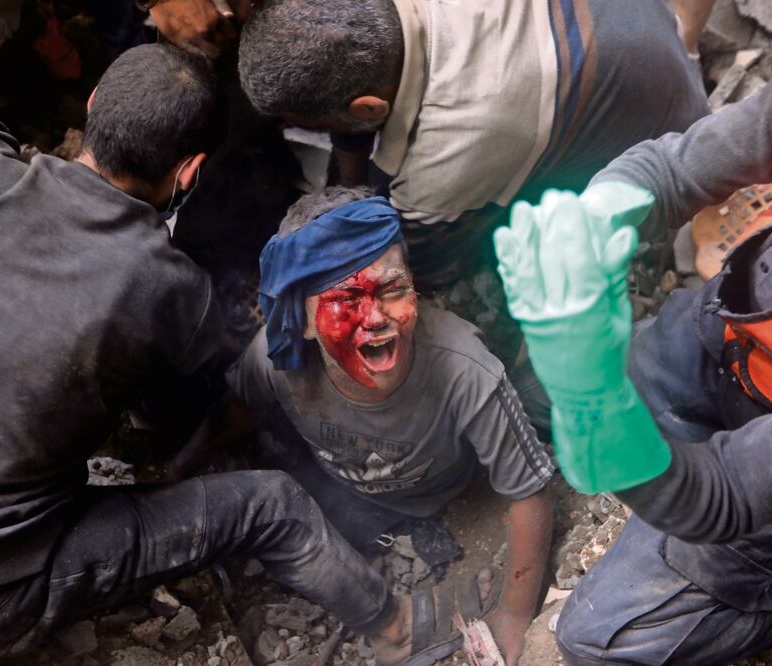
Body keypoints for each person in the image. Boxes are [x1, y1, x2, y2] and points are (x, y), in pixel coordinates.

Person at [0, 1, 414, 661]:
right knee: (273, 505)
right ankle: (399, 623)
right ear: (190, 172)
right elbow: (249, 360)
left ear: (94, 103)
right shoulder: (163, 285)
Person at [493, 18, 772, 665]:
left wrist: (595, 402)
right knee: (523, 393)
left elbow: (722, 493)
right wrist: (603, 211)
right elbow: (673, 168)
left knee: (604, 638)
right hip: (726, 334)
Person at [170, 186, 556, 665]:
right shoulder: (279, 358)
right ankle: (391, 622)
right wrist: (179, 468)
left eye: (393, 290)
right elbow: (240, 408)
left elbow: (528, 490)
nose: (375, 318)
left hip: (439, 493)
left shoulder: (463, 367)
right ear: (304, 323)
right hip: (345, 500)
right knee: (271, 506)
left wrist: (515, 616)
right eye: (346, 301)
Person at [236, 0, 710, 291]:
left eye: (312, 125)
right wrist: (352, 171)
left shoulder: (448, 159)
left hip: (672, 134)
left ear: (367, 110)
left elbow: (425, 260)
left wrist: (362, 207)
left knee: (479, 231)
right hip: (640, 20)